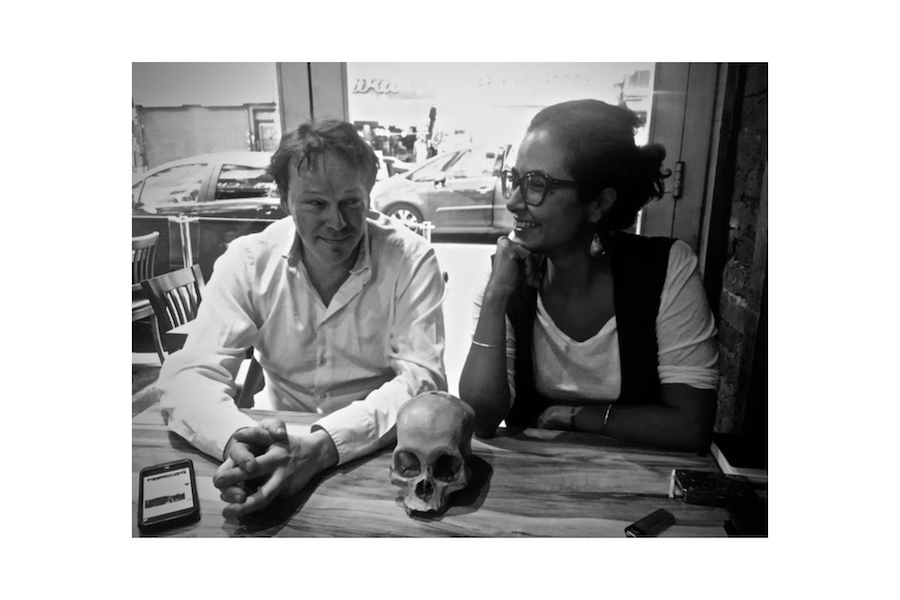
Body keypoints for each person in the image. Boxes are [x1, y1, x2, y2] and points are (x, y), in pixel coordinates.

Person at [158, 119, 447, 517]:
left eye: (351, 202)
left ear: (369, 195)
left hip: (379, 455)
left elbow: (423, 382)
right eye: (315, 204)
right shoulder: (248, 260)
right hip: (272, 447)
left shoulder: (410, 259)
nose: (337, 222)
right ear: (284, 199)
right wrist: (237, 441)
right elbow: (188, 377)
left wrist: (324, 445)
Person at [459, 99, 718, 453]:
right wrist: (495, 298)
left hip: (642, 479)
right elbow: (483, 419)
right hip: (534, 479)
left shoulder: (664, 269)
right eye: (515, 180)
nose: (514, 202)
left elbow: (690, 425)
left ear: (598, 203)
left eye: (537, 184)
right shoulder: (504, 274)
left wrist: (573, 415)